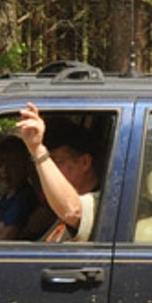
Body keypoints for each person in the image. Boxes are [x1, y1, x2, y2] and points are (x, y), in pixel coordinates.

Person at [17, 103, 102, 242]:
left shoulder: (106, 204)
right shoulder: (57, 207)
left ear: (85, 162)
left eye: (56, 161)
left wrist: (38, 151)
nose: (49, 170)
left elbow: (73, 211)